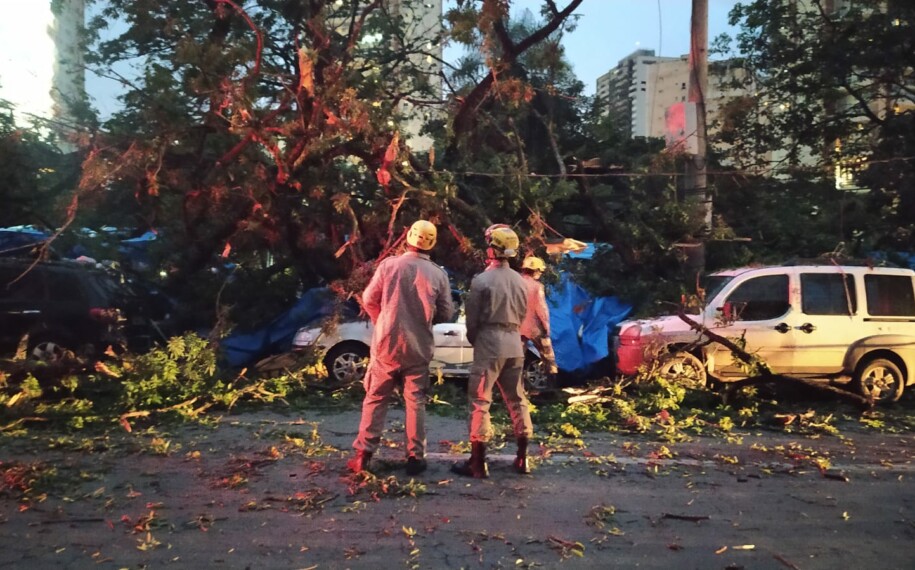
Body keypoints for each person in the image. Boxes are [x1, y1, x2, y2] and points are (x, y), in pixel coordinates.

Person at [348, 220, 454, 476]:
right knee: (415, 402)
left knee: (375, 398)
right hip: (418, 346)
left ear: (408, 236)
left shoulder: (389, 266)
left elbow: (369, 299)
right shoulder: (438, 274)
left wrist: (382, 320)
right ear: (432, 243)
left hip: (387, 344)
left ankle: (363, 456)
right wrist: (425, 317)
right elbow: (447, 312)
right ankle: (415, 458)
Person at [452, 225, 533, 478]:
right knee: (518, 400)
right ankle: (523, 459)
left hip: (490, 341)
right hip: (514, 342)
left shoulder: (482, 280)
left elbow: (472, 322)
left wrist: (478, 340)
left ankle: (477, 463)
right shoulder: (522, 281)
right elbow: (522, 315)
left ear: (492, 248)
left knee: (480, 402)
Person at [519, 256, 558, 378]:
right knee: (548, 356)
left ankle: (517, 389)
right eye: (540, 271)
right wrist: (546, 328)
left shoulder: (514, 283)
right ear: (535, 271)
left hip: (516, 327)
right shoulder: (537, 287)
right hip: (535, 327)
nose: (540, 274)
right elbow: (542, 309)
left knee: (516, 361)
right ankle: (552, 384)